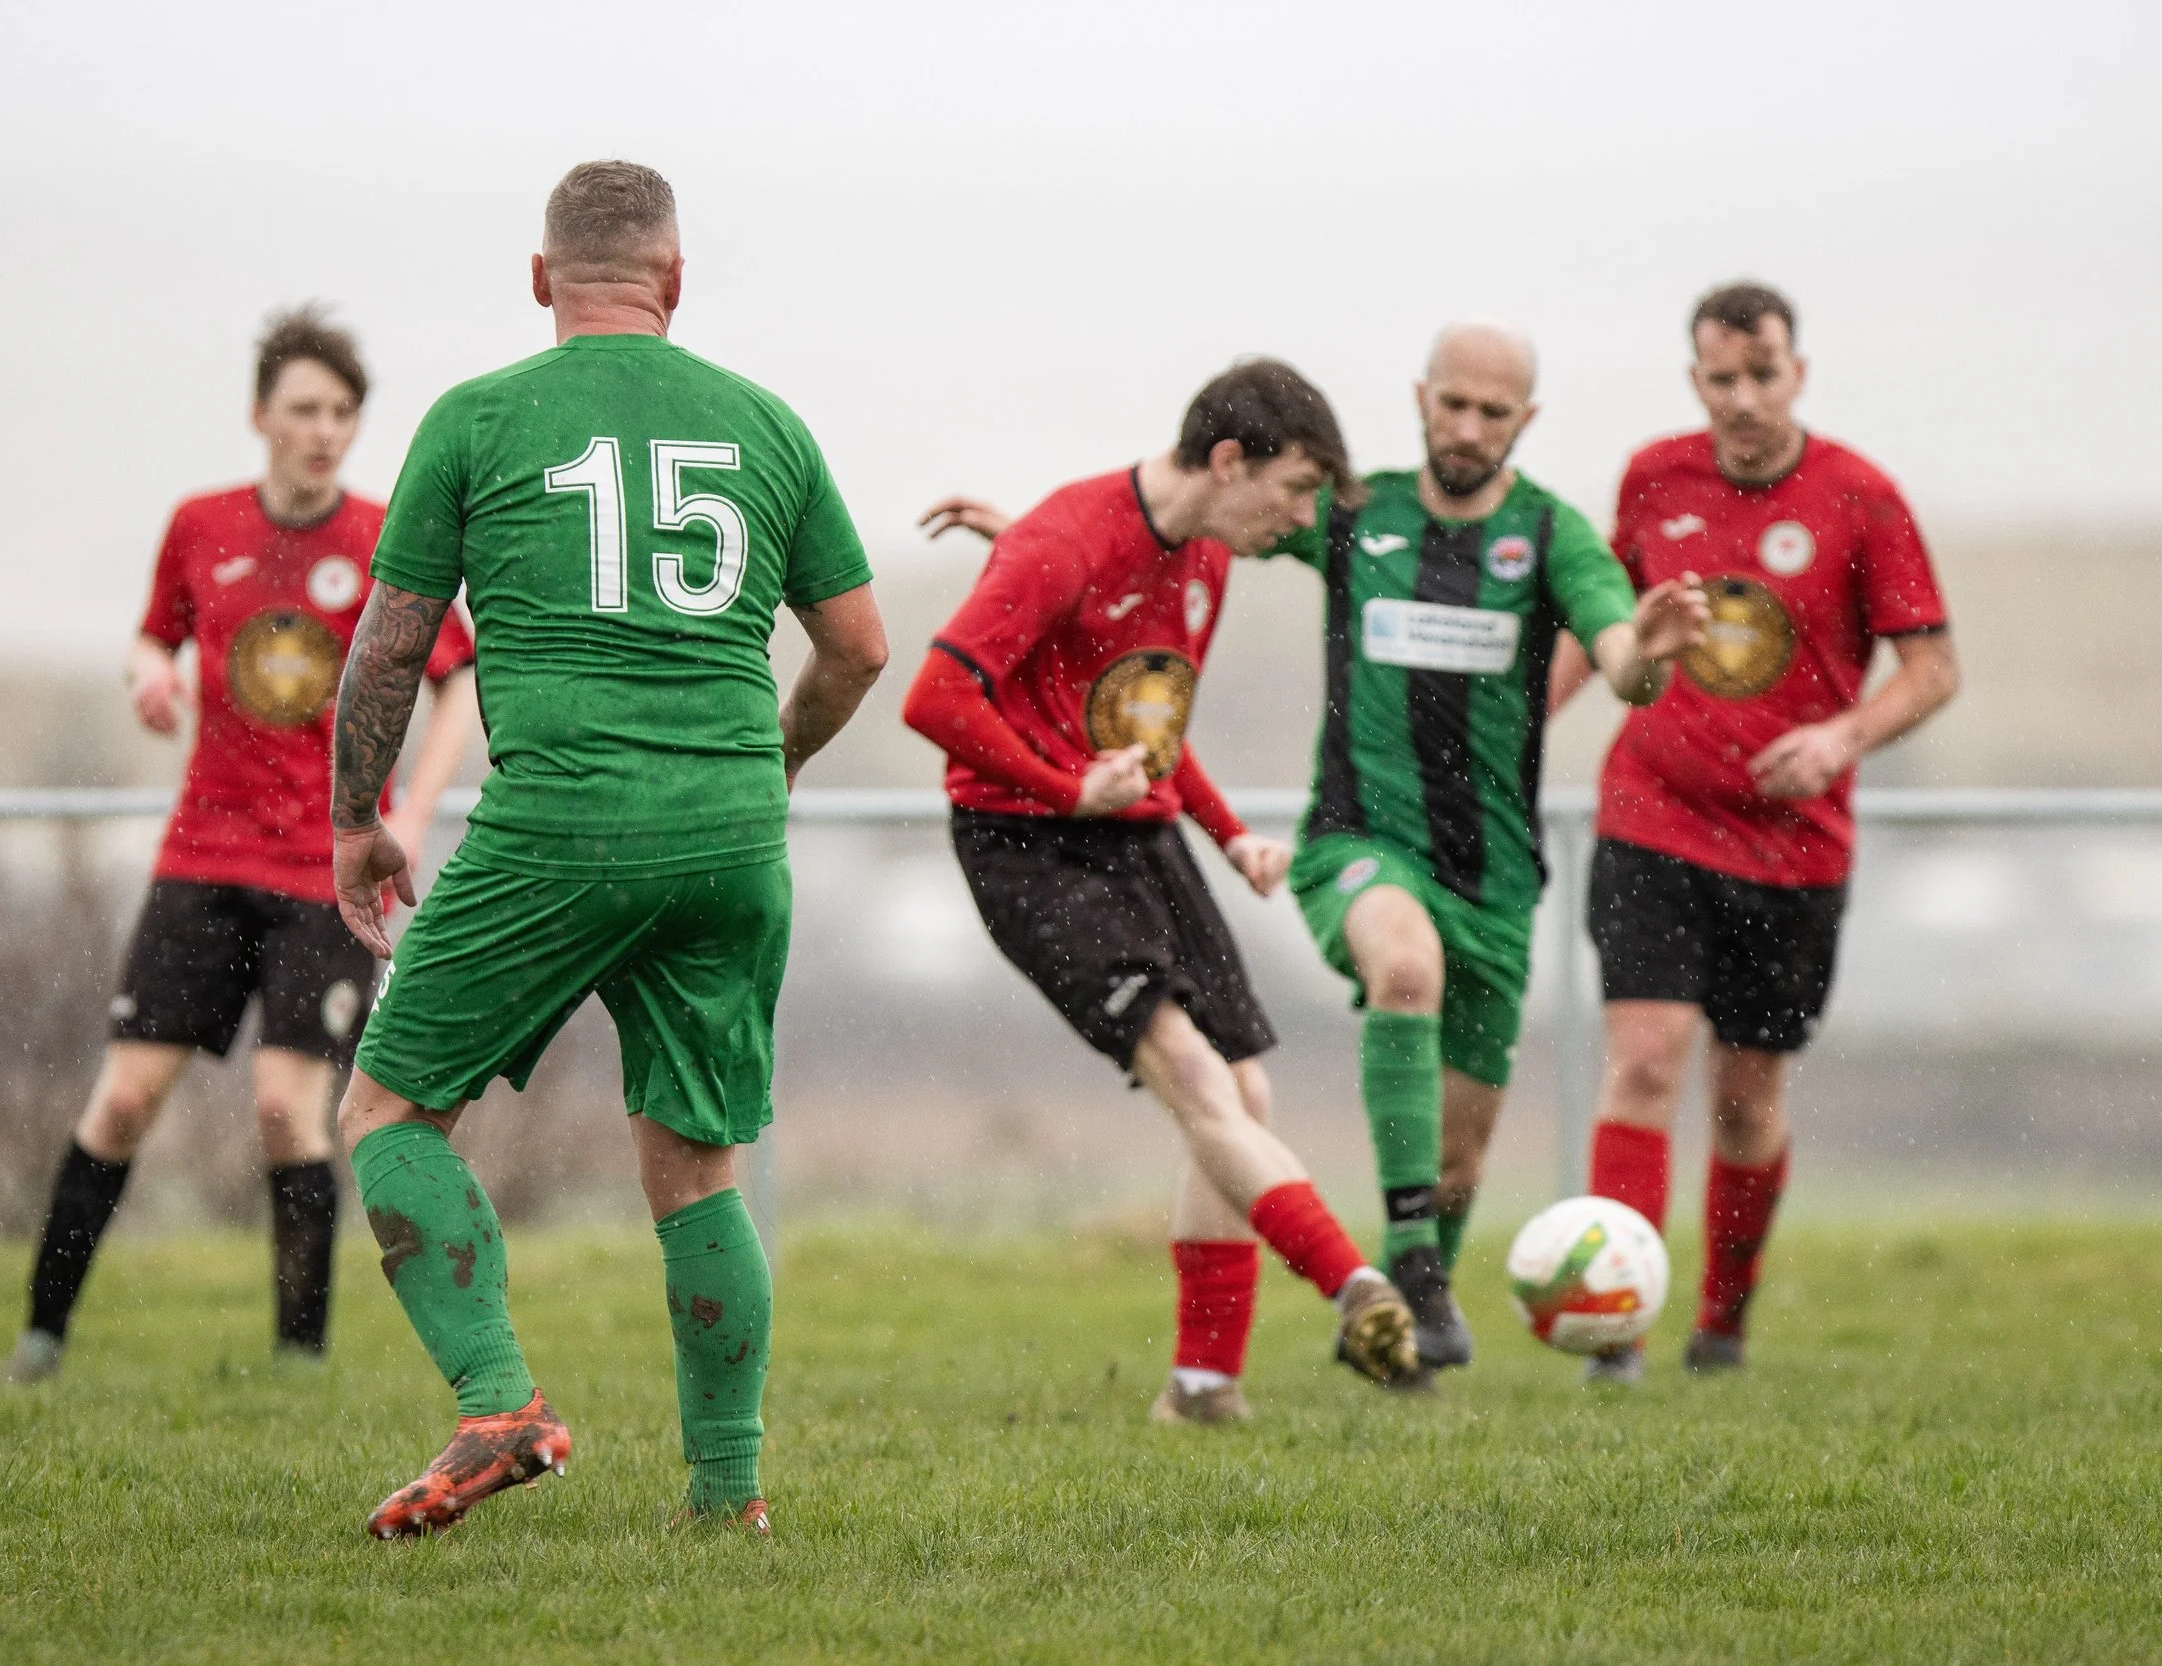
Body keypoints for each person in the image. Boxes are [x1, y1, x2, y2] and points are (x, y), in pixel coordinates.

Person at [328, 161, 888, 1539]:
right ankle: (728, 1495)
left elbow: (391, 645)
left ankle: (499, 1397)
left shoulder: (477, 419)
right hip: (727, 831)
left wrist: (359, 816)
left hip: (564, 817)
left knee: (388, 1116)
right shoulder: (766, 423)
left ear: (541, 282)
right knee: (697, 1166)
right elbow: (860, 646)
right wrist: (776, 758)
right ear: (675, 281)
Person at [906, 359, 1420, 1426]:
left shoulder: (1203, 558)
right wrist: (1063, 787)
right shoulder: (1065, 536)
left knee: (1244, 1093)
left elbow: (1147, 724)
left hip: (1134, 832)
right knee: (1192, 1071)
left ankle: (1199, 1387)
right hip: (1028, 839)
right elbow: (935, 696)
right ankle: (1353, 1284)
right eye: (1292, 486)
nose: (1296, 515)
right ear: (1229, 459)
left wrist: (1231, 837)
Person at [5, 308, 478, 1384]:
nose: (323, 431)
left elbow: (457, 683)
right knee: (123, 1100)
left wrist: (410, 813)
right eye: (303, 410)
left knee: (283, 1107)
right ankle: (39, 1340)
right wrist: (146, 671)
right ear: (260, 414)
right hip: (202, 859)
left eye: (342, 414)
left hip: (326, 872)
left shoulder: (379, 536)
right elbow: (153, 634)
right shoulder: (199, 526)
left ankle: (296, 1365)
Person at [1260, 323, 1705, 1374]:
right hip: (1357, 842)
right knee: (1402, 965)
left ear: (1525, 421)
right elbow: (1203, 515)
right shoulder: (1354, 510)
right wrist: (1055, 545)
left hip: (1494, 877)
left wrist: (1645, 654)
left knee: (1456, 1162)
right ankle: (1413, 1271)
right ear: (1420, 396)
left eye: (1490, 412)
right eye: (1450, 403)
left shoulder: (1551, 536)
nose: (1465, 427)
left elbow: (1620, 659)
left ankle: (1411, 1312)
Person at [1558, 282, 1959, 1382]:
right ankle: (1615, 1331)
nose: (1743, 397)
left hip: (1792, 848)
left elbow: (1931, 669)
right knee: (1641, 1062)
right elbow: (1606, 626)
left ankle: (1721, 1323)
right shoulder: (1651, 477)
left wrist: (1841, 737)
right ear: (1695, 382)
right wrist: (1513, 732)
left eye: (1762, 372)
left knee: (1746, 1095)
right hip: (1651, 814)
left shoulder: (1860, 498)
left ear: (1798, 372)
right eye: (1720, 378)